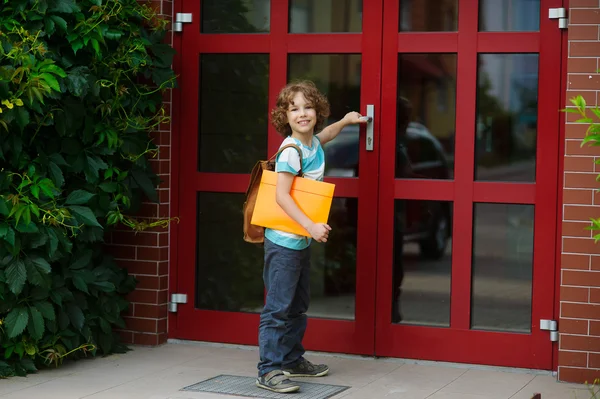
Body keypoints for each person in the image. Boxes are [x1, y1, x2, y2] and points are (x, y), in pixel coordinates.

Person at [256, 80, 366, 393]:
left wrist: (345, 121)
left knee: (298, 303)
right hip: (284, 242)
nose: (302, 114)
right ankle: (268, 370)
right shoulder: (290, 151)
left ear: (317, 111)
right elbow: (282, 197)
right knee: (278, 307)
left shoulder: (311, 144)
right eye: (294, 109)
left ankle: (291, 359)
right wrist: (311, 226)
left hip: (299, 241)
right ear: (285, 117)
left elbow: (324, 136)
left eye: (308, 107)